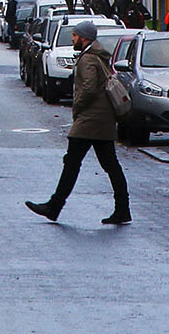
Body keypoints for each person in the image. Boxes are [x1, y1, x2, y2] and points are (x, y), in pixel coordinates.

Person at [24, 20, 130, 225]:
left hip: (90, 121)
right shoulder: (98, 56)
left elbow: (88, 88)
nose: (72, 38)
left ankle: (54, 207)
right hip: (101, 121)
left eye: (74, 35)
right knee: (109, 165)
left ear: (84, 37)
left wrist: (77, 106)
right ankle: (122, 209)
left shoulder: (89, 59)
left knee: (72, 163)